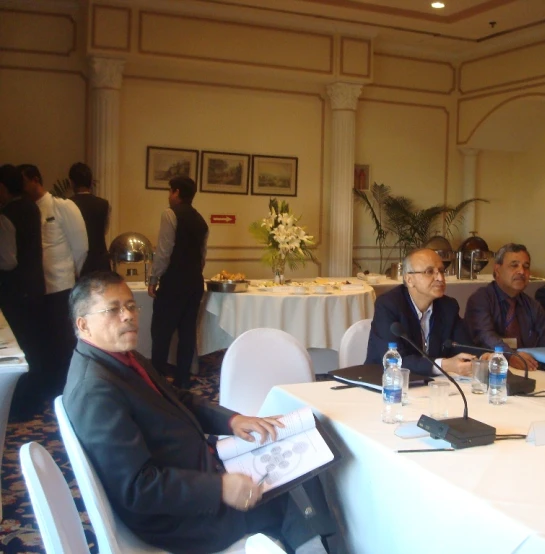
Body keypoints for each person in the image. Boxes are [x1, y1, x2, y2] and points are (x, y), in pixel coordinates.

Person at [64, 272, 341, 553]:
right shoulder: (94, 390)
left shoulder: (122, 359)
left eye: (131, 306)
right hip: (178, 519)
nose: (128, 316)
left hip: (196, 469)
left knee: (297, 458)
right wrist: (219, 488)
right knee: (287, 492)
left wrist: (233, 420)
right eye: (113, 309)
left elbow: (178, 399)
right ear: (83, 324)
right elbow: (138, 488)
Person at [19, 163, 87, 396]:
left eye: (23, 181)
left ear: (35, 179)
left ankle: (65, 389)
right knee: (42, 341)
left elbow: (80, 246)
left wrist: (72, 273)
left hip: (60, 284)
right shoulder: (23, 209)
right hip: (35, 287)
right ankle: (47, 388)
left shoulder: (61, 206)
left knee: (62, 341)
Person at [365, 248, 479, 376]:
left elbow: (464, 346)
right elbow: (395, 360)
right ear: (409, 280)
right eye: (429, 272)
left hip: (431, 386)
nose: (440, 278)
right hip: (386, 384)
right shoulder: (388, 305)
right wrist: (444, 365)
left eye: (441, 271)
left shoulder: (448, 306)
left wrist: (482, 357)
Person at [148, 176, 208, 389]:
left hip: (173, 281)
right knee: (187, 333)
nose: (169, 196)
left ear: (176, 193)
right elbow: (202, 256)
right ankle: (183, 379)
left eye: (170, 191)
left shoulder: (170, 214)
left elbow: (164, 251)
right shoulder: (201, 220)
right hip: (194, 282)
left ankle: (157, 378)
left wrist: (153, 278)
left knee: (161, 332)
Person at [0, 164, 46, 419]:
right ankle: (33, 402)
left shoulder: (7, 214)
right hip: (35, 285)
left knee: (20, 348)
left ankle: (19, 406)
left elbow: (8, 260)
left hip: (16, 291)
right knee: (34, 344)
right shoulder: (31, 207)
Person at [464, 243, 545, 371]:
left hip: (530, 371)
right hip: (489, 372)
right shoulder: (481, 299)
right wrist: (510, 355)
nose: (521, 271)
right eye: (514, 265)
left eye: (526, 267)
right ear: (497, 270)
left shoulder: (534, 307)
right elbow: (485, 336)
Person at [69, 162, 111, 274]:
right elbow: (105, 229)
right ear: (91, 181)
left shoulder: (68, 204)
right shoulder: (104, 204)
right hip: (100, 260)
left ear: (71, 182)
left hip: (77, 262)